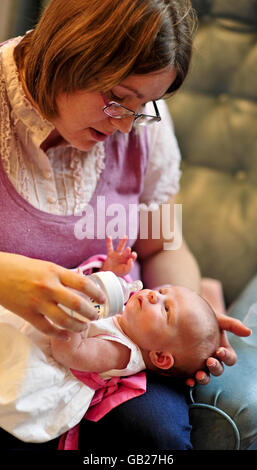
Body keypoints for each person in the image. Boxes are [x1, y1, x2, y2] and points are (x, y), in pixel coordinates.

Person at [0, 0, 251, 451]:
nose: (125, 127)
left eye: (143, 105)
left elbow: (162, 245)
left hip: (121, 342)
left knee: (154, 439)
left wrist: (191, 328)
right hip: (14, 349)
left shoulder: (143, 126)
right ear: (68, 51)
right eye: (117, 98)